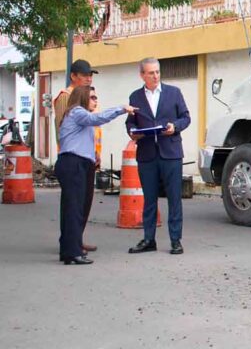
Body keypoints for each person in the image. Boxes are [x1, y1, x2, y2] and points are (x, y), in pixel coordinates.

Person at [56, 86, 136, 264]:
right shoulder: (77, 112)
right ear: (82, 97)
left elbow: (81, 139)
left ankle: (70, 249)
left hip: (80, 163)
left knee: (76, 208)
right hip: (73, 163)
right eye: (92, 97)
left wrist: (93, 155)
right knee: (75, 209)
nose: (95, 100)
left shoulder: (79, 117)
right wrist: (121, 109)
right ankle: (72, 252)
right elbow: (97, 118)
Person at [126, 57, 191, 255]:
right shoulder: (135, 97)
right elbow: (130, 122)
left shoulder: (174, 93)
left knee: (174, 198)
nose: (155, 76)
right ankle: (149, 239)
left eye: (157, 72)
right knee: (149, 199)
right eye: (151, 73)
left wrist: (175, 127)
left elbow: (186, 117)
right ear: (142, 75)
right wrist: (132, 132)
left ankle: (175, 240)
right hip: (147, 153)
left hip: (170, 152)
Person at [54, 59, 100, 254]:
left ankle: (77, 238)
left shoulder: (88, 96)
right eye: (84, 75)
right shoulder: (66, 97)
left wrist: (95, 152)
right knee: (73, 203)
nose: (88, 79)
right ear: (73, 76)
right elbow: (62, 128)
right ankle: (70, 242)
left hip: (88, 155)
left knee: (84, 201)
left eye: (90, 75)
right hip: (73, 156)